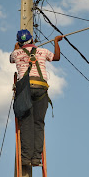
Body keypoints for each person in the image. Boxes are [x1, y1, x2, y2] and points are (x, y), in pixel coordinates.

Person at [10, 29, 63, 166]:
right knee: (38, 123)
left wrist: (16, 48)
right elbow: (56, 57)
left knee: (26, 124)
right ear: (32, 40)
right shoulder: (43, 51)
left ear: (19, 43)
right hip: (41, 88)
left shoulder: (16, 53)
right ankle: (35, 158)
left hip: (25, 89)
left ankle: (26, 158)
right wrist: (56, 42)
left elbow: (11, 59)